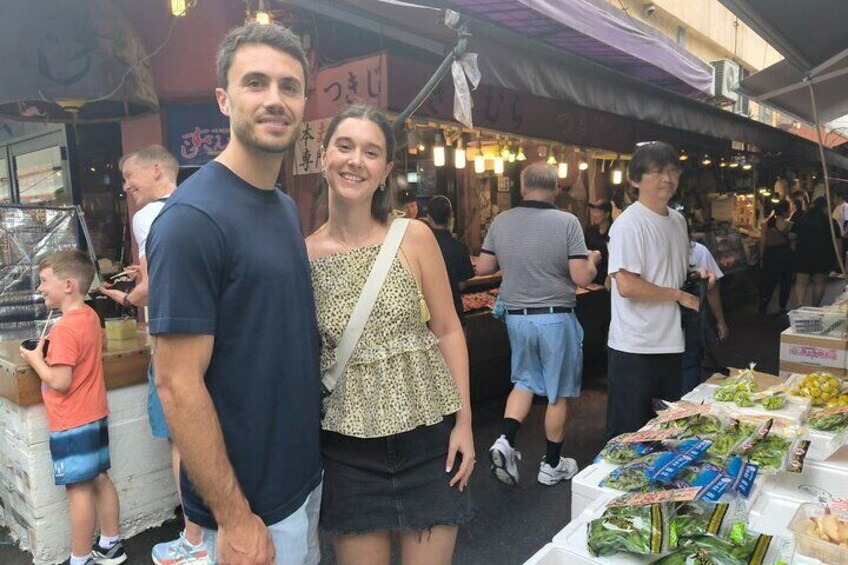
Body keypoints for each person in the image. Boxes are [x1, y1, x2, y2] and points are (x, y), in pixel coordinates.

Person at [147, 23, 322, 565]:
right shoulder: (191, 219)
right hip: (250, 507)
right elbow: (177, 383)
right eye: (256, 83)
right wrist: (233, 517)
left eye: (289, 87)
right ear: (223, 99)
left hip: (301, 479)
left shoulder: (283, 206)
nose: (275, 99)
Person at [306, 104, 474, 564]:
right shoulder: (303, 256)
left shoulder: (413, 237)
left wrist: (464, 424)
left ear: (385, 171)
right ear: (323, 157)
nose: (355, 161)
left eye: (371, 152)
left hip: (428, 443)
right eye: (344, 146)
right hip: (348, 454)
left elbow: (448, 331)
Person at [99, 145, 210, 564]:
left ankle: (194, 539)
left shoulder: (147, 216)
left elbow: (154, 286)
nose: (126, 186)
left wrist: (125, 297)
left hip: (172, 341)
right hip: (208, 339)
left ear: (157, 170)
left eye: (130, 176)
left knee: (182, 438)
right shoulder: (198, 207)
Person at [476, 163, 600, 486]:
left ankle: (505, 440)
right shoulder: (567, 222)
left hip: (517, 318)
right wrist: (593, 260)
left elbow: (484, 267)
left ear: (522, 186)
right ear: (556, 188)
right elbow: (581, 277)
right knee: (558, 392)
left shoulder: (501, 221)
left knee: (524, 381)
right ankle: (552, 465)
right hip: (555, 317)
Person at [19, 251, 127, 565]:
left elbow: (60, 380)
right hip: (94, 414)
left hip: (72, 420)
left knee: (78, 490)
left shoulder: (64, 328)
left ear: (68, 285)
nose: (40, 288)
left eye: (44, 281)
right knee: (100, 477)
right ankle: (111, 544)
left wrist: (36, 360)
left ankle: (80, 559)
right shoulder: (90, 315)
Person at [606, 142, 714, 439]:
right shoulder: (629, 224)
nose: (667, 178)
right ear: (635, 180)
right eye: (657, 172)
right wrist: (679, 295)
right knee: (629, 435)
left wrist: (696, 276)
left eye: (672, 171)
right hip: (635, 347)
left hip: (673, 342)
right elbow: (627, 285)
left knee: (665, 433)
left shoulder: (677, 221)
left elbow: (670, 272)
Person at [681, 236, 728, 396]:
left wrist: (720, 321)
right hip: (668, 329)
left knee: (690, 362)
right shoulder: (657, 251)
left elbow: (712, 289)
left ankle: (688, 402)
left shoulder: (699, 251)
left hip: (692, 323)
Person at [426, 195, 475, 324]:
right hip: (453, 310)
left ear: (428, 218)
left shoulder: (421, 247)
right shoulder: (460, 248)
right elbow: (461, 284)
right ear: (451, 216)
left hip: (427, 313)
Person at [793, 196, 843, 306]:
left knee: (801, 281)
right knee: (819, 282)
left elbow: (792, 236)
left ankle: (800, 303)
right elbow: (838, 242)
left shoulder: (803, 219)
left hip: (802, 253)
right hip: (823, 254)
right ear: (824, 207)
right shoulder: (831, 222)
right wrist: (838, 258)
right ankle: (815, 305)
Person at [758, 200, 794, 315]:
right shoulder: (788, 225)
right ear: (784, 211)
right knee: (785, 281)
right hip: (784, 254)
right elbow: (792, 242)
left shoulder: (766, 224)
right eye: (789, 210)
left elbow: (762, 241)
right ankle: (782, 306)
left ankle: (763, 306)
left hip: (769, 254)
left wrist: (761, 257)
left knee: (768, 281)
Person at [584, 199, 613, 285]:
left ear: (607, 214)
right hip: (592, 275)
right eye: (593, 211)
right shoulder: (590, 231)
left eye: (598, 212)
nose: (594, 215)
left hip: (608, 276)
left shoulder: (613, 231)